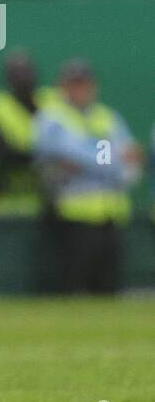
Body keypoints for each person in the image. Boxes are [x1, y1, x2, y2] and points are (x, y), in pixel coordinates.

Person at [34, 60, 141, 294]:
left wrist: (91, 158)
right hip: (73, 215)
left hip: (113, 215)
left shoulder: (108, 116)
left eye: (84, 84)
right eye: (74, 84)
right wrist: (113, 157)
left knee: (110, 289)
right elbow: (66, 153)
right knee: (74, 288)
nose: (80, 90)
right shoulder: (52, 119)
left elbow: (132, 162)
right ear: (63, 86)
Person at [0, 51, 46, 215]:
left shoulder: (49, 102)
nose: (22, 78)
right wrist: (44, 158)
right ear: (7, 78)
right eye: (16, 73)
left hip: (44, 204)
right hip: (7, 204)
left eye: (26, 72)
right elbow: (1, 155)